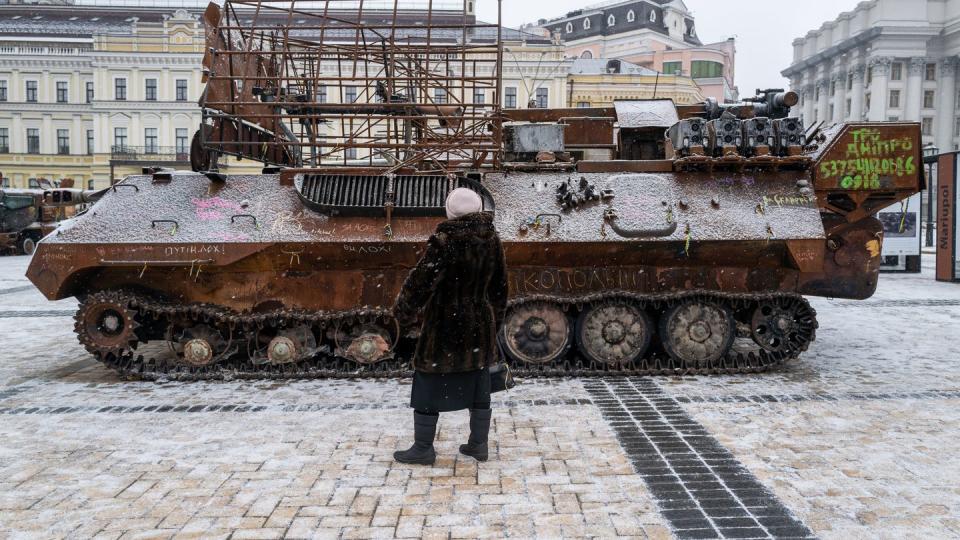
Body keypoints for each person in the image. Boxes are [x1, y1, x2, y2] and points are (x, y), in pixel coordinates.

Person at [392, 187, 508, 466]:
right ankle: (478, 445)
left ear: (450, 211)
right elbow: (500, 288)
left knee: (428, 380)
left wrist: (402, 313)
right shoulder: (492, 240)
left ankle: (423, 448)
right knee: (478, 383)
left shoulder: (445, 241)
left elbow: (420, 283)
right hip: (479, 323)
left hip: (444, 325)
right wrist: (494, 322)